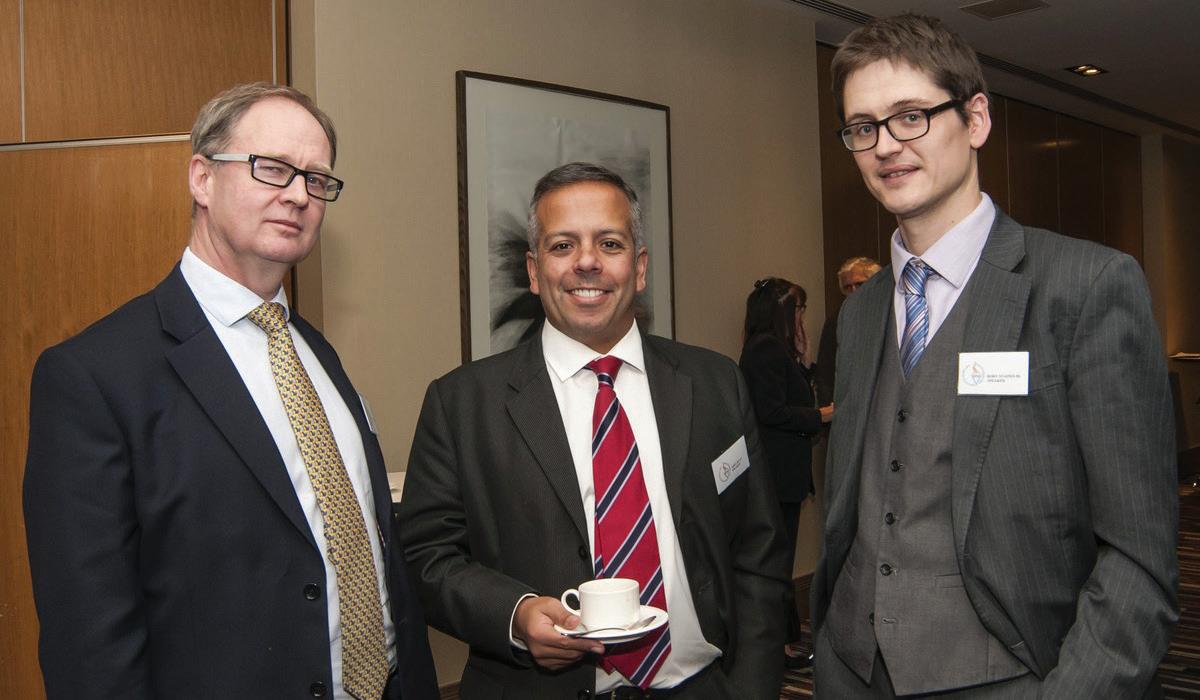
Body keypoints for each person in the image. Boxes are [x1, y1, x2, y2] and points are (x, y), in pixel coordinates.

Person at [23, 83, 438, 700]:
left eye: (316, 179)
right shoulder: (95, 377)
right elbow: (89, 643)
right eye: (272, 168)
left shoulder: (318, 355)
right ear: (202, 178)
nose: (298, 194)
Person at [811, 14, 1178, 698]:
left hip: (1013, 673)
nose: (885, 146)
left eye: (911, 116)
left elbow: (1138, 554)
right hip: (850, 669)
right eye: (863, 127)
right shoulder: (860, 314)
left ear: (976, 119)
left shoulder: (1085, 287)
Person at [397, 162, 791, 699]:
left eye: (609, 243)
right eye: (563, 246)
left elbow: (759, 550)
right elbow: (426, 556)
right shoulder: (461, 404)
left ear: (639, 267)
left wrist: (751, 688)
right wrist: (514, 615)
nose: (587, 262)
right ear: (534, 270)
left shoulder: (716, 383)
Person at [738, 278, 833, 668]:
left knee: (780, 558)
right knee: (776, 561)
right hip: (775, 476)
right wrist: (822, 415)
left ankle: (783, 641)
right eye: (799, 309)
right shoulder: (765, 349)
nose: (801, 318)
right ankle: (774, 649)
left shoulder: (774, 350)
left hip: (783, 475)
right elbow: (771, 411)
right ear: (783, 311)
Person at [813, 257, 881, 406]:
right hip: (847, 404)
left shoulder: (891, 315)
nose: (854, 291)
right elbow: (825, 371)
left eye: (860, 284)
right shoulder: (836, 321)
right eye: (847, 287)